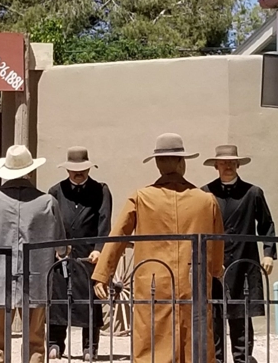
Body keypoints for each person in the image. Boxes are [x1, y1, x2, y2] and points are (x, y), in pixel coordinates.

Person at [92, 133, 224, 363]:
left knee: (151, 343)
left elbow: (119, 235)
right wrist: (213, 271)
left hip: (153, 282)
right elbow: (216, 244)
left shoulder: (141, 198)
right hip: (193, 281)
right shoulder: (206, 201)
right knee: (194, 339)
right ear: (182, 163)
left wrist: (103, 274)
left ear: (156, 163)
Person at [0, 145, 67, 363]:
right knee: (35, 340)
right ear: (29, 171)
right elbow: (61, 242)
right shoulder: (47, 202)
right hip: (36, 276)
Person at [203, 145, 276, 363]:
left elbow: (266, 224)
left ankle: (243, 359)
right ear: (216, 165)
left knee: (241, 317)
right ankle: (216, 360)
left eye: (232, 162)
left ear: (238, 165)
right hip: (215, 266)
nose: (228, 166)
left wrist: (269, 253)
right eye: (223, 162)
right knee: (214, 315)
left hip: (244, 263)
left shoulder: (253, 193)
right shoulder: (205, 193)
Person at [48, 147, 112, 361]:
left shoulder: (100, 190)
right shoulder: (56, 191)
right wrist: (56, 249)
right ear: (67, 170)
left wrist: (99, 249)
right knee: (57, 301)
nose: (79, 173)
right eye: (74, 169)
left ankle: (90, 347)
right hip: (62, 255)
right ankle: (55, 344)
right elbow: (51, 223)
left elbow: (104, 222)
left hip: (88, 255)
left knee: (90, 303)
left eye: (83, 169)